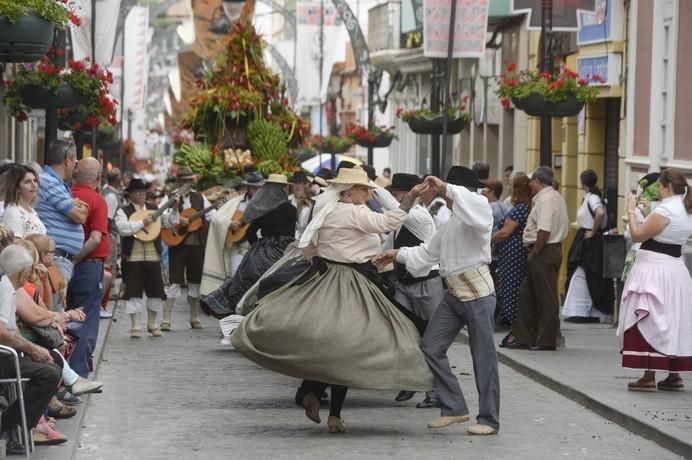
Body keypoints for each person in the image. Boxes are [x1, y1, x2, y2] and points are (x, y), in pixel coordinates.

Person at [231, 168, 432, 433]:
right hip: (351, 281)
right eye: (364, 190)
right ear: (349, 191)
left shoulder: (326, 210)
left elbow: (314, 245)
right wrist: (410, 199)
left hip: (325, 277)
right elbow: (388, 223)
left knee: (329, 343)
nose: (369, 194)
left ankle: (314, 392)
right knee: (348, 347)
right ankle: (333, 411)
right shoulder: (354, 211)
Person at [375, 166, 500, 435]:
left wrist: (445, 187)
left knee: (484, 358)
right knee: (430, 345)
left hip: (479, 296)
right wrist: (395, 254)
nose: (449, 198)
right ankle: (454, 407)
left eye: (452, 192)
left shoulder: (480, 209)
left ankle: (489, 419)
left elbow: (469, 202)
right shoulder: (451, 224)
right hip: (454, 295)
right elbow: (426, 253)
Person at [617, 168, 692, 392]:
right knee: (672, 320)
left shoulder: (667, 209)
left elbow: (638, 235)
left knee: (650, 318)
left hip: (655, 271)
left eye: (659, 185)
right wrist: (648, 212)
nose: (657, 189)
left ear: (668, 186)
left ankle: (648, 376)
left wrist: (631, 211)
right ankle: (673, 374)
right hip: (676, 270)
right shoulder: (685, 208)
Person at [385, 173, 443, 409]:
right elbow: (387, 245)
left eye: (398, 194)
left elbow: (392, 207)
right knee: (404, 334)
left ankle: (436, 392)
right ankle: (410, 381)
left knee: (432, 338)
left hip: (427, 284)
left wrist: (365, 180)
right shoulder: (401, 221)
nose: (395, 199)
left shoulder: (418, 216)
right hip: (404, 284)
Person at [201, 174, 296, 318]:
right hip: (282, 252)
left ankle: (236, 315)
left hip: (261, 250)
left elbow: (251, 232)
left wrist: (257, 248)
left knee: (240, 282)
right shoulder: (290, 209)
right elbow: (291, 235)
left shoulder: (261, 209)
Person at [0, 244, 62, 453]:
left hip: (8, 353)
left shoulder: (9, 287)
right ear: (20, 272)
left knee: (53, 365)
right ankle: (8, 425)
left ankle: (13, 424)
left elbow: (11, 329)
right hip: (3, 356)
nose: (29, 275)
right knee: (48, 375)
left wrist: (33, 348)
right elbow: (2, 332)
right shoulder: (3, 288)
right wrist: (32, 348)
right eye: (28, 271)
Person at [508, 166, 569, 350]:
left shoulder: (546, 200)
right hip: (547, 249)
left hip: (543, 250)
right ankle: (526, 336)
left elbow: (544, 230)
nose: (530, 185)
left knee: (546, 297)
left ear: (537, 181)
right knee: (526, 294)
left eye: (531, 181)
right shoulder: (553, 197)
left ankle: (546, 340)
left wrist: (535, 251)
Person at [67, 158, 110, 376]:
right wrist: (76, 259)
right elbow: (94, 239)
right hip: (88, 266)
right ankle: (78, 373)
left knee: (66, 316)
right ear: (98, 177)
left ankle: (64, 371)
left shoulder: (67, 196)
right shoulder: (97, 200)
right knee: (86, 319)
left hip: (63, 265)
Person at [161, 166, 215, 330]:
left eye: (189, 181)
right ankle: (166, 319)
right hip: (178, 244)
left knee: (195, 281)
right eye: (184, 181)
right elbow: (163, 219)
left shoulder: (200, 198)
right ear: (179, 181)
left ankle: (194, 317)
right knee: (174, 280)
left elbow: (213, 216)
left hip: (197, 245)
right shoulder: (169, 197)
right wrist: (178, 218)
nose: (186, 184)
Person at [115, 179, 167, 338]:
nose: (141, 195)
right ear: (130, 195)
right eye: (137, 192)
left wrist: (176, 210)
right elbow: (123, 229)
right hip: (133, 258)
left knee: (156, 292)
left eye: (143, 192)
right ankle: (136, 326)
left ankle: (152, 324)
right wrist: (141, 223)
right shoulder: (123, 211)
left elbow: (170, 222)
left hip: (153, 256)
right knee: (133, 292)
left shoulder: (154, 209)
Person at [35, 140, 88, 285]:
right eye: (75, 162)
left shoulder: (56, 183)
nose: (75, 167)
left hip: (59, 258)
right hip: (56, 258)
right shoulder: (49, 181)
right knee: (56, 306)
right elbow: (80, 215)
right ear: (67, 161)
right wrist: (81, 206)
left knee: (59, 305)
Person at [562, 170, 611, 323]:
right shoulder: (591, 197)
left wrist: (592, 231)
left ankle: (581, 310)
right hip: (586, 238)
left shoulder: (593, 198)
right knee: (584, 274)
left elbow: (600, 213)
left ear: (582, 182)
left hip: (589, 241)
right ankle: (584, 310)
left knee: (583, 274)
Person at [494, 175, 532, 346]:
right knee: (513, 292)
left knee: (510, 292)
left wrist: (487, 240)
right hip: (514, 256)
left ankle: (516, 331)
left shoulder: (519, 209)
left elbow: (504, 233)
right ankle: (516, 330)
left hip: (512, 258)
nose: (509, 188)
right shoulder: (526, 208)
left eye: (511, 186)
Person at [100, 168, 122, 319]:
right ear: (118, 180)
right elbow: (108, 218)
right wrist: (107, 237)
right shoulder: (112, 196)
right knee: (109, 266)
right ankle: (104, 300)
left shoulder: (105, 191)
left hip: (105, 234)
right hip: (108, 234)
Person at [1, 164, 46, 238]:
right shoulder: (13, 212)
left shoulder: (31, 210)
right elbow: (15, 244)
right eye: (27, 182)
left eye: (35, 180)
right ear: (17, 187)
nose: (34, 185)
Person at [288, 171, 314, 240]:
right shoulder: (288, 201)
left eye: (300, 183)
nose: (297, 186)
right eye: (295, 183)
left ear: (305, 185)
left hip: (305, 241)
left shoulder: (311, 203)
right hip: (290, 241)